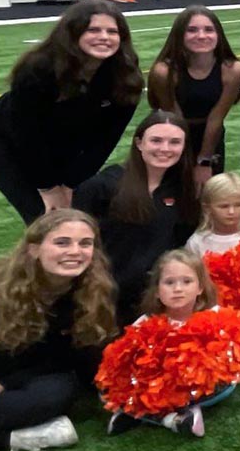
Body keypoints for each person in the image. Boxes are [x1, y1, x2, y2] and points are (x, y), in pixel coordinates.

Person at [0, 210, 116, 451]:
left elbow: (66, 360)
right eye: (62, 242)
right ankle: (23, 437)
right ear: (34, 249)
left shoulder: (96, 292)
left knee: (52, 396)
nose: (75, 251)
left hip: (39, 377)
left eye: (85, 243)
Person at [0, 0, 143, 223]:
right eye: (93, 30)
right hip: (6, 139)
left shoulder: (126, 78)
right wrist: (48, 187)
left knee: (75, 211)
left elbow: (104, 141)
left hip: (64, 140)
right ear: (73, 33)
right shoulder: (38, 69)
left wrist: (70, 183)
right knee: (44, 217)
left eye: (112, 31)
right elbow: (28, 135)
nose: (104, 37)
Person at [72, 111, 198, 322]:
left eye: (175, 142)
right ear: (139, 143)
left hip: (154, 301)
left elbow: (181, 242)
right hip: (104, 298)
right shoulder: (103, 186)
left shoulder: (183, 189)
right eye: (156, 140)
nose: (165, 148)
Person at [104, 250, 238, 438]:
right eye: (169, 283)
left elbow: (229, 358)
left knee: (221, 386)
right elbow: (129, 359)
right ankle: (176, 419)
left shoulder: (215, 316)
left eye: (187, 281)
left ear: (200, 288)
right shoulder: (146, 323)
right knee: (115, 389)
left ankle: (140, 414)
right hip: (162, 388)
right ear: (157, 291)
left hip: (202, 387)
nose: (178, 289)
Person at [147, 6, 240, 183]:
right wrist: (185, 161)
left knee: (207, 190)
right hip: (169, 133)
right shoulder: (164, 72)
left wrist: (204, 161)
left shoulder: (232, 70)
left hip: (210, 134)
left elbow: (216, 117)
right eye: (191, 30)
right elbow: (174, 117)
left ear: (218, 35)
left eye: (209, 30)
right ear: (179, 35)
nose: (201, 36)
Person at [185, 173, 240, 256]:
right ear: (207, 208)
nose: (231, 212)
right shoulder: (197, 242)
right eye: (224, 206)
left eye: (238, 205)